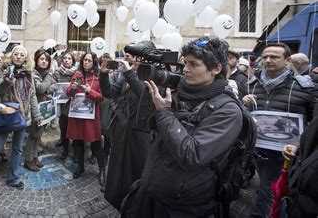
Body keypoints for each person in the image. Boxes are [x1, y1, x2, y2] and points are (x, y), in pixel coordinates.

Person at [122, 36, 243, 217]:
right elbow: (147, 125)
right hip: (151, 189)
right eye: (185, 62)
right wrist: (153, 93)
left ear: (216, 69)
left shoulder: (228, 111)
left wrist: (164, 112)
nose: (185, 69)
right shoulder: (181, 92)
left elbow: (192, 155)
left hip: (183, 205)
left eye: (194, 64)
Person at [242, 43, 317, 218]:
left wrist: (298, 144)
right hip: (258, 148)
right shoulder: (252, 84)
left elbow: (314, 122)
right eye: (265, 57)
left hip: (286, 151)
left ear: (288, 60)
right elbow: (245, 116)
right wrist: (242, 104)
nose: (268, 60)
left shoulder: (306, 87)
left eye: (274, 57)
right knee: (270, 187)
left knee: (268, 188)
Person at [0, 45, 42, 194]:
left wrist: (37, 115)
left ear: (26, 58)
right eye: (16, 54)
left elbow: (32, 96)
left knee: (17, 149)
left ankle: (13, 179)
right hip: (5, 115)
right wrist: (6, 82)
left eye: (21, 55)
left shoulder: (29, 74)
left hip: (23, 116)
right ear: (11, 56)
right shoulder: (3, 70)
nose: (18, 56)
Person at [99, 43, 157, 210]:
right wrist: (103, 75)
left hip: (140, 137)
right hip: (121, 131)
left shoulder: (154, 76)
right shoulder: (128, 75)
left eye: (138, 59)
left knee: (136, 174)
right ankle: (121, 204)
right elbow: (110, 93)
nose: (134, 62)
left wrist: (130, 73)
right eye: (134, 58)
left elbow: (146, 99)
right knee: (118, 173)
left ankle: (135, 207)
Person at [66, 52, 106, 190]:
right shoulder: (77, 75)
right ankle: (80, 167)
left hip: (91, 117)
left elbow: (102, 98)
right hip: (77, 115)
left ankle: (102, 170)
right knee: (77, 142)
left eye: (89, 60)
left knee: (96, 144)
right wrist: (73, 88)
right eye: (84, 60)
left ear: (94, 62)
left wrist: (90, 92)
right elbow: (68, 93)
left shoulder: (99, 77)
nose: (86, 62)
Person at [24, 49, 58, 171]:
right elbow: (40, 89)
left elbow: (55, 85)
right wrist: (49, 77)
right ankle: (28, 160)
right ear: (36, 60)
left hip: (45, 109)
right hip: (35, 109)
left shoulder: (46, 73)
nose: (44, 62)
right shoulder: (34, 73)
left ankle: (34, 156)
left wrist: (48, 89)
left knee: (38, 135)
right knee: (33, 135)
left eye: (46, 60)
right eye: (42, 59)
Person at [53, 51, 78, 160]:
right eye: (65, 58)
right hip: (62, 104)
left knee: (75, 128)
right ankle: (65, 148)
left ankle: (77, 151)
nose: (66, 60)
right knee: (63, 127)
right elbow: (53, 84)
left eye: (69, 58)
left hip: (74, 103)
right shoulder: (57, 72)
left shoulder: (77, 73)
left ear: (73, 61)